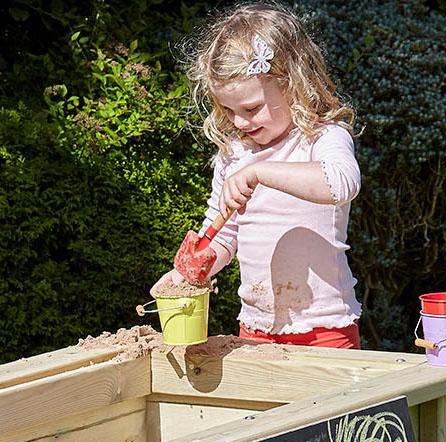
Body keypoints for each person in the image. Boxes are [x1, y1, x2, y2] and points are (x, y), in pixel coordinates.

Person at [155, 2, 362, 349]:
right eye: (229, 111)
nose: (239, 123)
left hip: (326, 328)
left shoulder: (322, 138)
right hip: (256, 328)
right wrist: (188, 274)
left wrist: (260, 171)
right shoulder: (234, 155)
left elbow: (341, 183)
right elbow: (222, 233)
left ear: (291, 83)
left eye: (251, 109)